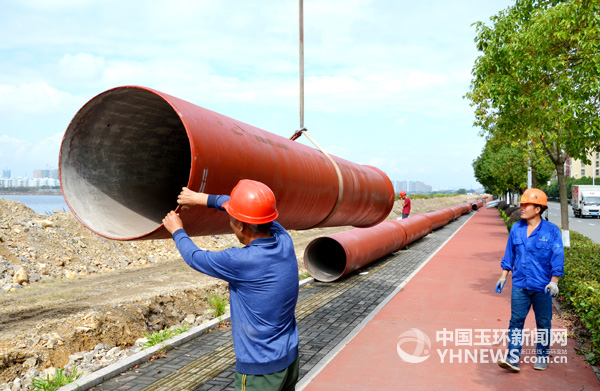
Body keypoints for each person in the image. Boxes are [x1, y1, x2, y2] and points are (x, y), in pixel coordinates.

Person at [162, 180, 300, 391]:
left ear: (242, 226)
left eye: (232, 220)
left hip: (260, 370)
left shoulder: (241, 261)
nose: (230, 223)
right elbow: (251, 208)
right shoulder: (284, 240)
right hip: (289, 359)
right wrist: (200, 198)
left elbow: (194, 257)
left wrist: (177, 230)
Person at [495, 188, 564, 373]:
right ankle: (513, 357)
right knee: (516, 321)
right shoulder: (517, 228)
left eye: (526, 205)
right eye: (522, 205)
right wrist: (503, 276)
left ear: (538, 209)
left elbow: (557, 256)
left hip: (543, 287)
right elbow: (509, 254)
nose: (522, 208)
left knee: (543, 322)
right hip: (520, 285)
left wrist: (554, 281)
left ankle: (541, 355)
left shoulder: (551, 231)